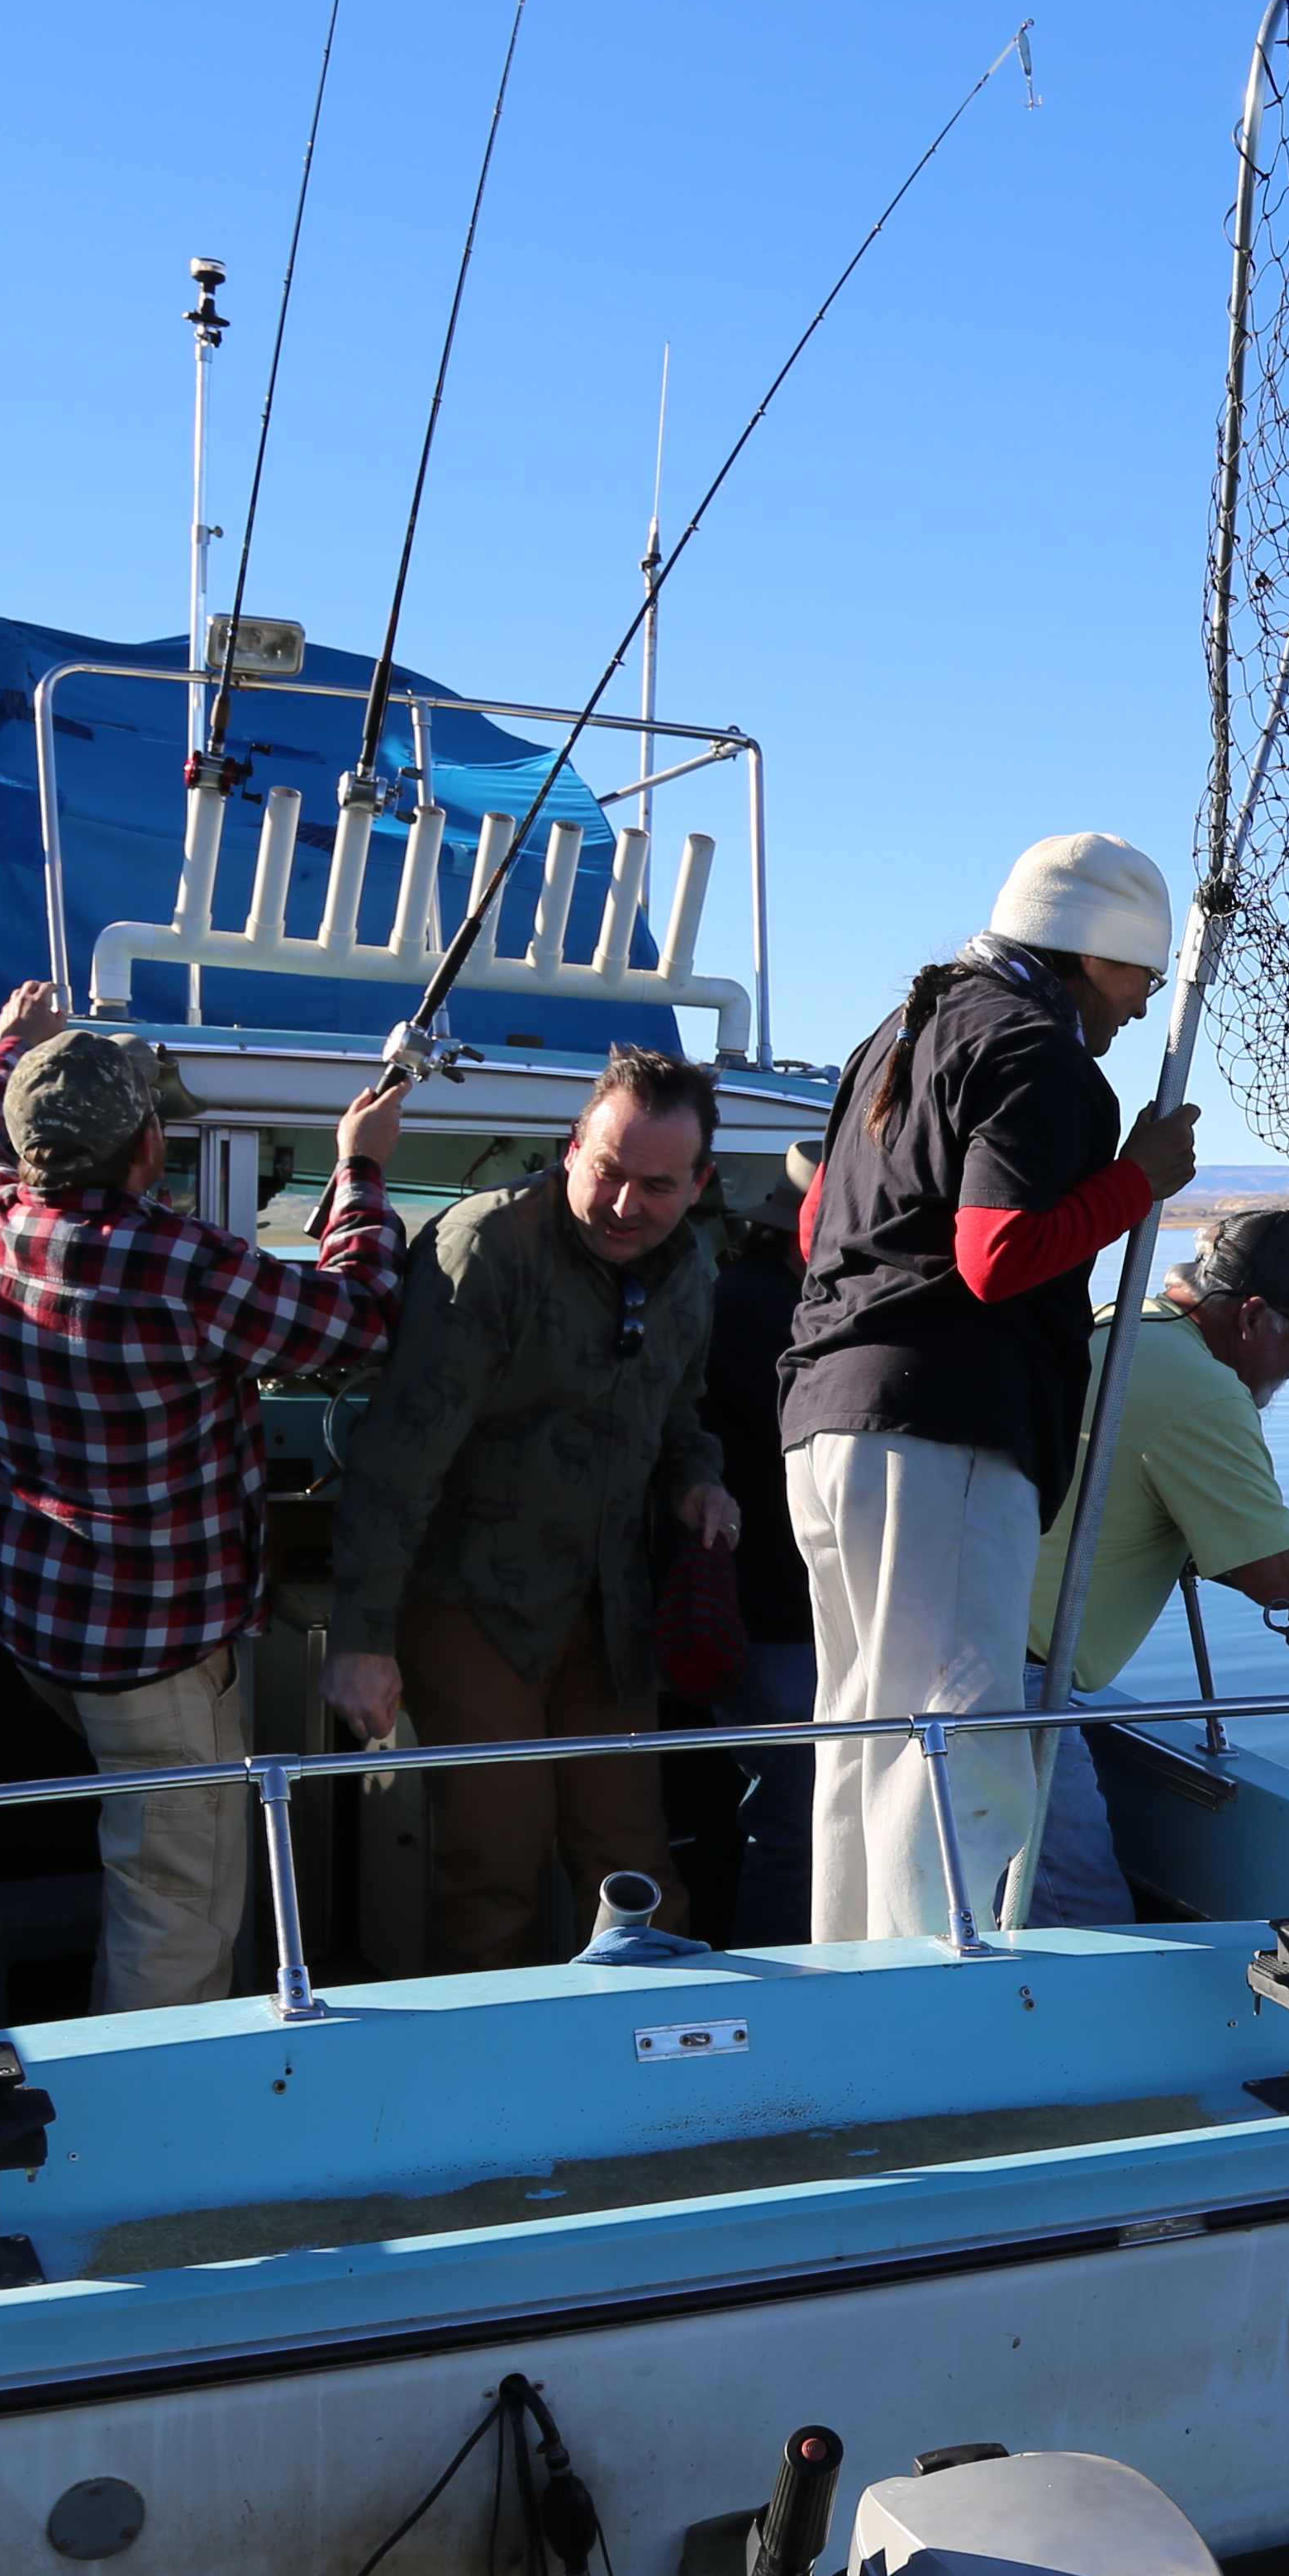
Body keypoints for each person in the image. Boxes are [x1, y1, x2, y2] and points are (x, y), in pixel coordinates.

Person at [0, 981, 407, 2010]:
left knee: (148, 1871)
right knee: (176, 1913)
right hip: (159, 1652)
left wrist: (8, 1049)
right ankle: (142, 2129)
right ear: (146, 1147)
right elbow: (358, 1318)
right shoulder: (178, 1262)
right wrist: (360, 1168)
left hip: (42, 1626)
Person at [780, 833, 1202, 1943]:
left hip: (825, 1430)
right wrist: (1137, 1181)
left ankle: (856, 1976)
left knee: (864, 1735)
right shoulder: (1037, 1052)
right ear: (1091, 952)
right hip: (943, 1436)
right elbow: (997, 1257)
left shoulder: (898, 1036)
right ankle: (941, 1995)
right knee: (956, 1739)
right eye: (1139, 977)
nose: (1141, 1002)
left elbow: (819, 1224)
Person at [325, 1047, 737, 1967]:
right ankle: (489, 2094)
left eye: (659, 1187)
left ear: (701, 1182)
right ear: (570, 1148)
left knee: (635, 1870)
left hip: (607, 1606)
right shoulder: (487, 1249)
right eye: (607, 1174)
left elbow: (679, 1413)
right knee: (492, 1869)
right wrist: (362, 1636)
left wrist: (696, 1480)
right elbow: (399, 1453)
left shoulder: (689, 1268)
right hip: (471, 1602)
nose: (628, 1208)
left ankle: (663, 2080)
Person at [1017, 1210, 1289, 1924]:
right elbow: (1277, 1577)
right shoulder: (1202, 1391)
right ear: (1254, 1316)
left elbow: (1183, 1522)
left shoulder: (1125, 1325)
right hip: (1014, 1685)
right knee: (1086, 1926)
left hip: (971, 1644)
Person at [697, 1144, 824, 1946]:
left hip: (784, 1614)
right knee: (795, 1831)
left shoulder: (758, 1300)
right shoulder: (758, 1310)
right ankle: (785, 1998)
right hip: (777, 1618)